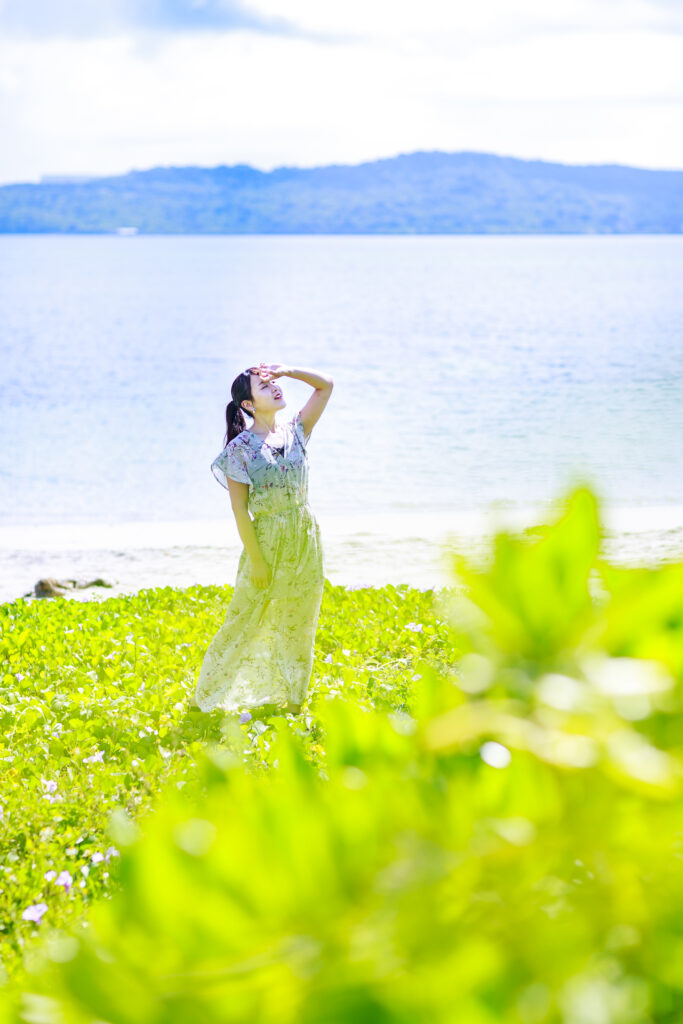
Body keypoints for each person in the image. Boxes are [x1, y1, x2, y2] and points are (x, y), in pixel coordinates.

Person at [193, 362, 334, 719]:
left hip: (305, 536)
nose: (274, 388)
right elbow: (240, 510)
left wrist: (287, 371)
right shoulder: (239, 450)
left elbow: (325, 386)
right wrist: (257, 560)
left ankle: (294, 698)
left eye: (273, 383)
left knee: (300, 619)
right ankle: (207, 696)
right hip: (267, 541)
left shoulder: (297, 430)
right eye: (264, 386)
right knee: (244, 617)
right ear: (248, 405)